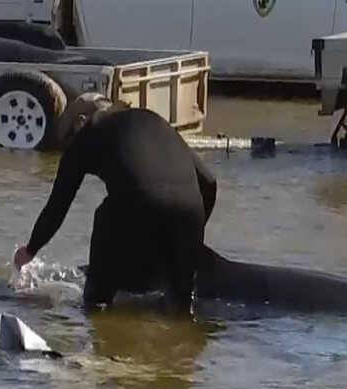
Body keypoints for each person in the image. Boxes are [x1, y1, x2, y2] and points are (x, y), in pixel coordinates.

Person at [13, 98, 218, 313]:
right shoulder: (153, 119)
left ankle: (99, 305)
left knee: (96, 306)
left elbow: (57, 207)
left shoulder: (89, 132)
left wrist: (30, 250)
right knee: (182, 311)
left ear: (80, 121)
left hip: (138, 207)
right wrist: (191, 236)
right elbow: (209, 182)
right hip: (190, 212)